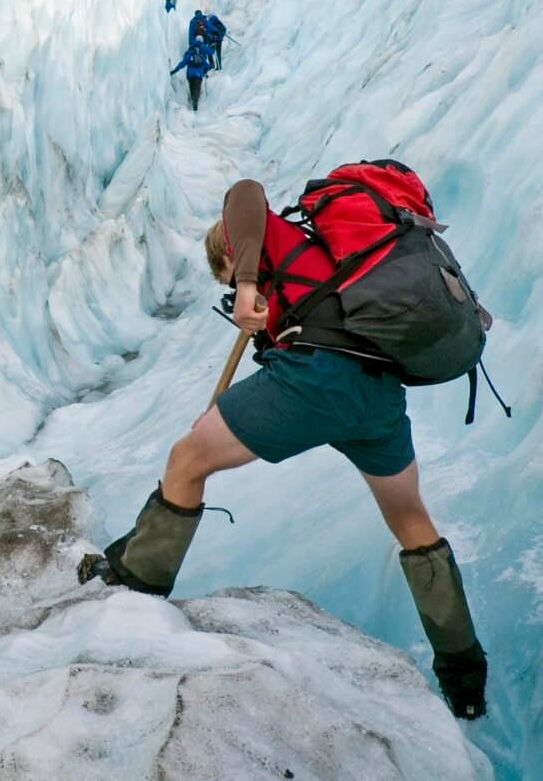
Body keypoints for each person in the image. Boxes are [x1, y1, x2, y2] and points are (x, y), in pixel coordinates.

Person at [84, 178, 488, 721]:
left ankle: (134, 591)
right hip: (375, 397)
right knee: (412, 522)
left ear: (229, 252)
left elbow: (244, 192)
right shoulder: (328, 272)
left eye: (228, 281)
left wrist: (247, 282)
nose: (236, 299)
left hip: (315, 378)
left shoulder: (259, 237)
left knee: (186, 462)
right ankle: (464, 677)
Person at [169, 41, 214, 111]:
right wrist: (204, 72)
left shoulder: (188, 56)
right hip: (199, 75)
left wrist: (174, 71)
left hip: (190, 75)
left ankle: (193, 99)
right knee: (197, 87)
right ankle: (195, 101)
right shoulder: (201, 57)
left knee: (192, 87)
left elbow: (182, 64)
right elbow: (207, 66)